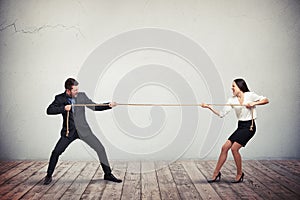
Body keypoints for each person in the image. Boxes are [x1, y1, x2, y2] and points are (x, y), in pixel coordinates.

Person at [43, 78, 122, 185]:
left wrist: (108, 105)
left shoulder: (82, 96)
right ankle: (48, 175)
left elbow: (94, 106)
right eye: (75, 90)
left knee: (100, 149)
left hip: (84, 131)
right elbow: (49, 110)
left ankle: (108, 174)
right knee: (56, 152)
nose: (77, 92)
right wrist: (63, 108)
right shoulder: (60, 98)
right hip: (69, 132)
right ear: (68, 91)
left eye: (77, 89)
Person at [201, 78, 269, 183]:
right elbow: (221, 114)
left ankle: (239, 173)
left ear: (240, 86)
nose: (231, 88)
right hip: (240, 126)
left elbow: (266, 100)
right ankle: (216, 173)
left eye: (233, 86)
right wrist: (209, 107)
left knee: (234, 149)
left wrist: (253, 103)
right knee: (224, 148)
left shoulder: (249, 95)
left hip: (249, 127)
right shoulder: (232, 100)